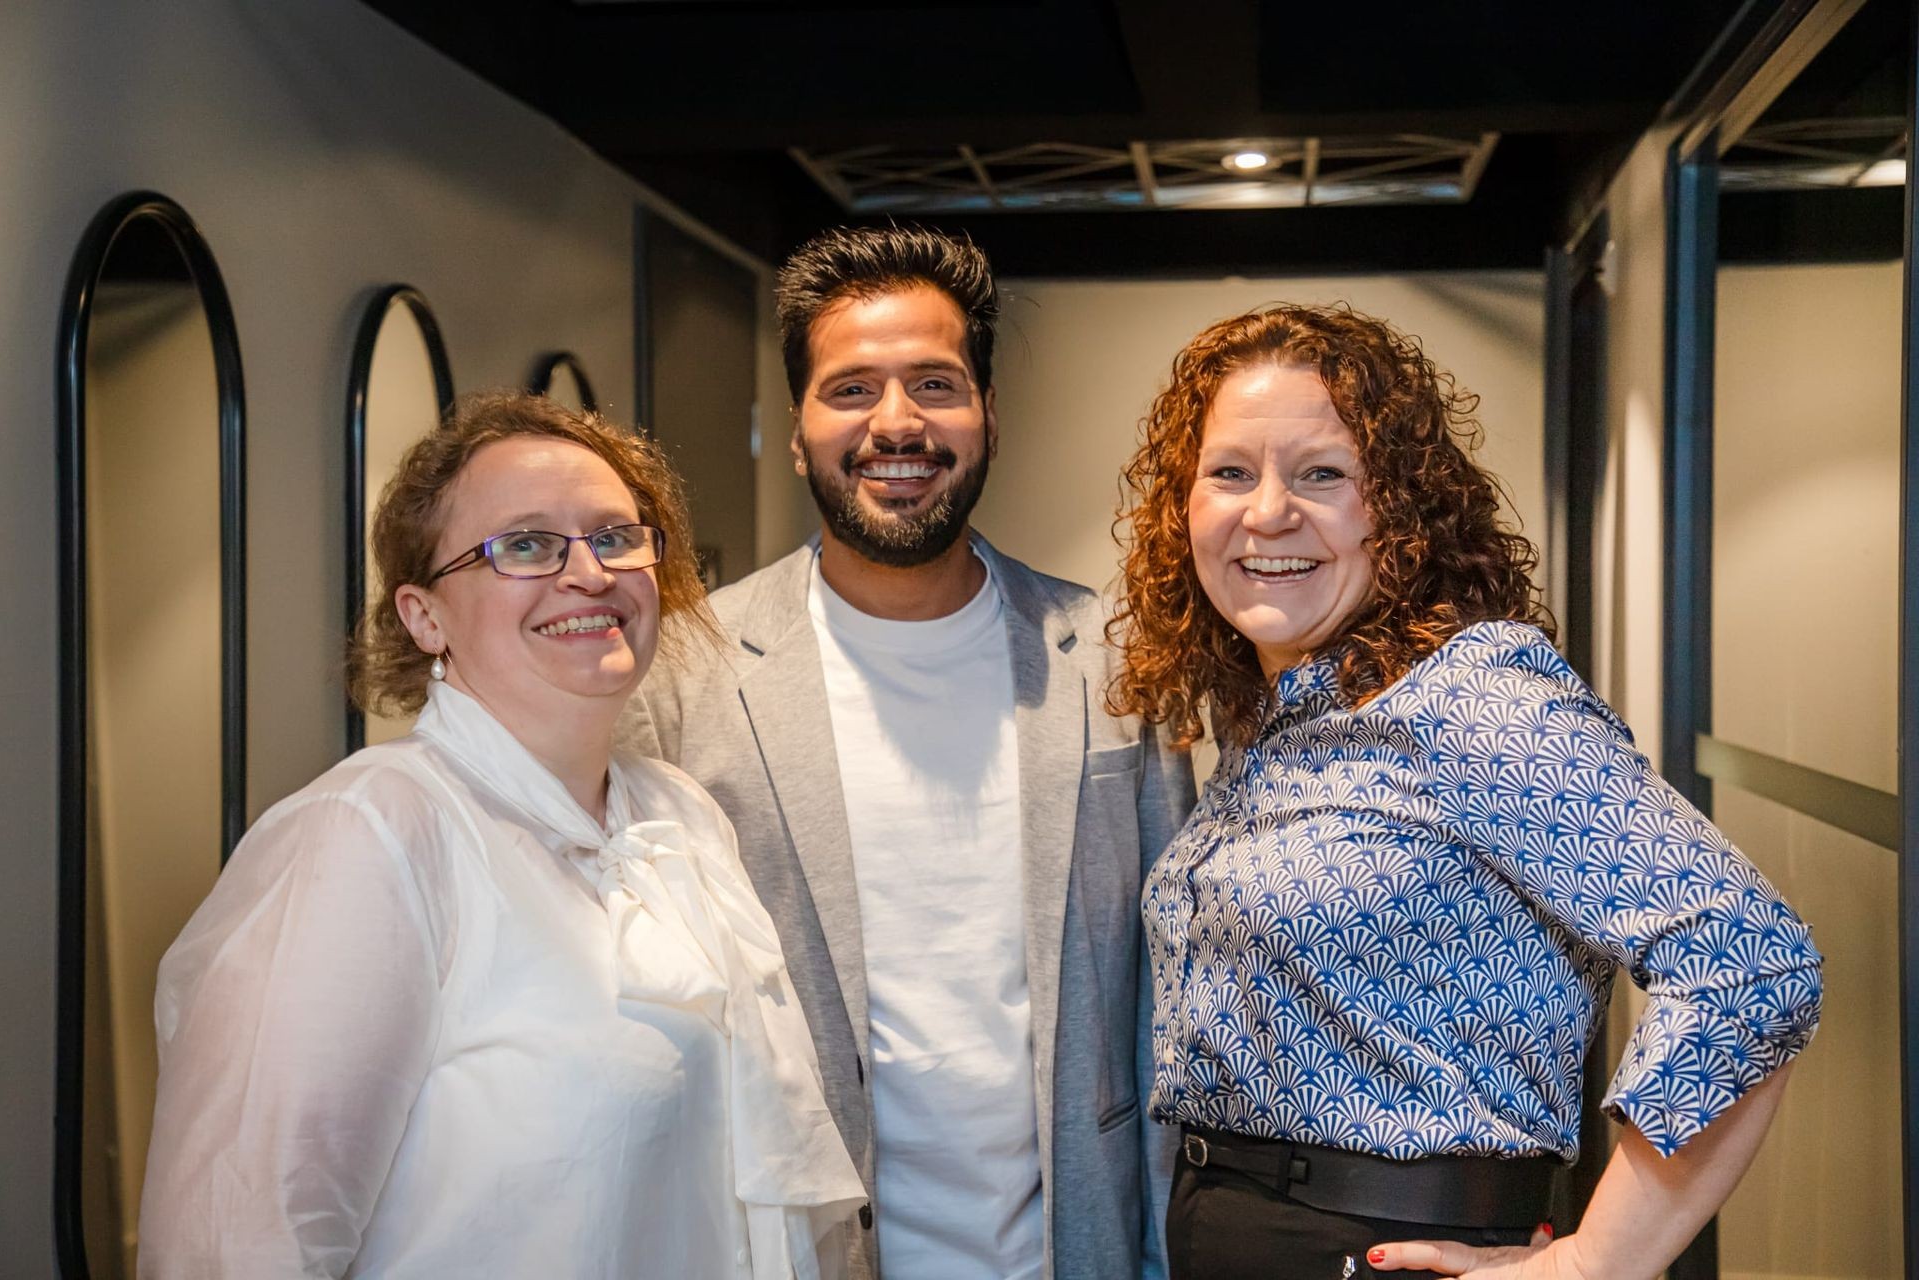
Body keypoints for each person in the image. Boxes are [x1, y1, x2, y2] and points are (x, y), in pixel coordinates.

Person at [1106, 304, 1823, 1280]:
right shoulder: (1277, 721)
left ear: (1395, 506)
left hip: (1378, 1247)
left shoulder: (1472, 694)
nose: (1268, 510)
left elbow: (1751, 963)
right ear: (1182, 507)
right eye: (1231, 472)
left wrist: (1596, 1262)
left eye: (1322, 473)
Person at [139, 392, 864, 1279]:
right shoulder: (370, 836)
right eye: (524, 546)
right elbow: (240, 1242)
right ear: (423, 616)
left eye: (613, 536)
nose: (589, 574)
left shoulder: (679, 819)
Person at [622, 225, 1196, 1280]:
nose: (896, 422)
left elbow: (1170, 1001)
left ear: (985, 417)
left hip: (1078, 1246)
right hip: (799, 1251)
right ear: (797, 431)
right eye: (850, 389)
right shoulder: (687, 678)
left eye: (935, 382)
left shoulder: (1113, 663)